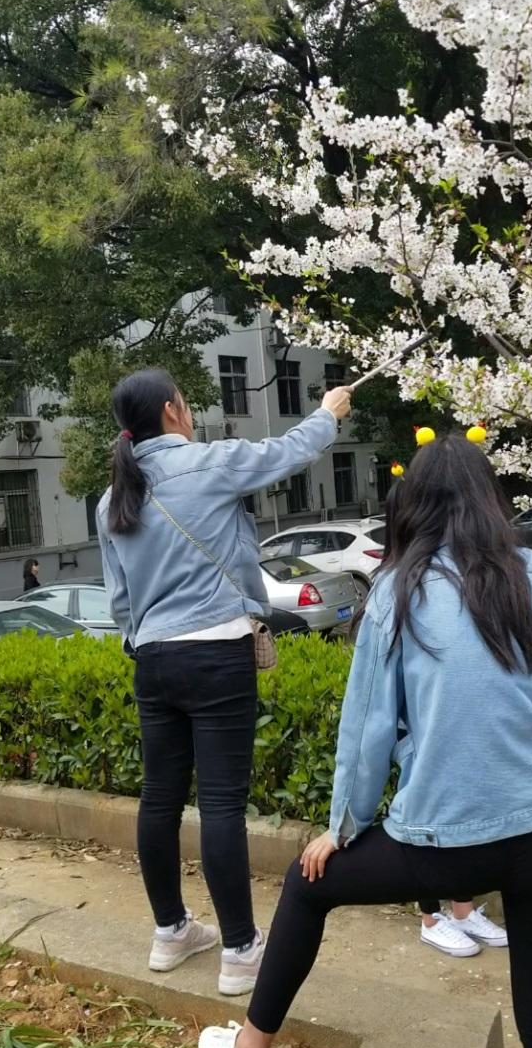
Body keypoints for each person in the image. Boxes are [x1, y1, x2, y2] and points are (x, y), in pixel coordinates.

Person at [199, 433, 532, 1048]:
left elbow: (368, 732)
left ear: (413, 507)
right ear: (491, 499)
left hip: (446, 842)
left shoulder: (398, 590)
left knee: (306, 884)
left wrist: (342, 827)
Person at [97, 367, 351, 995]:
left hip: (152, 658)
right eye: (185, 402)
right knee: (219, 804)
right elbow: (287, 452)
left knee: (159, 798)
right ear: (171, 410)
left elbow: (120, 599)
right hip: (216, 652)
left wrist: (146, 642)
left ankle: (170, 932)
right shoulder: (207, 463)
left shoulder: (111, 500)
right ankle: (239, 951)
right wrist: (328, 412)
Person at [388, 481, 509, 958]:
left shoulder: (440, 576)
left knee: (457, 824)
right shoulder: (396, 585)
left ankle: (462, 910)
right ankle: (429, 918)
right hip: (416, 737)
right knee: (427, 827)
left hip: (445, 733)